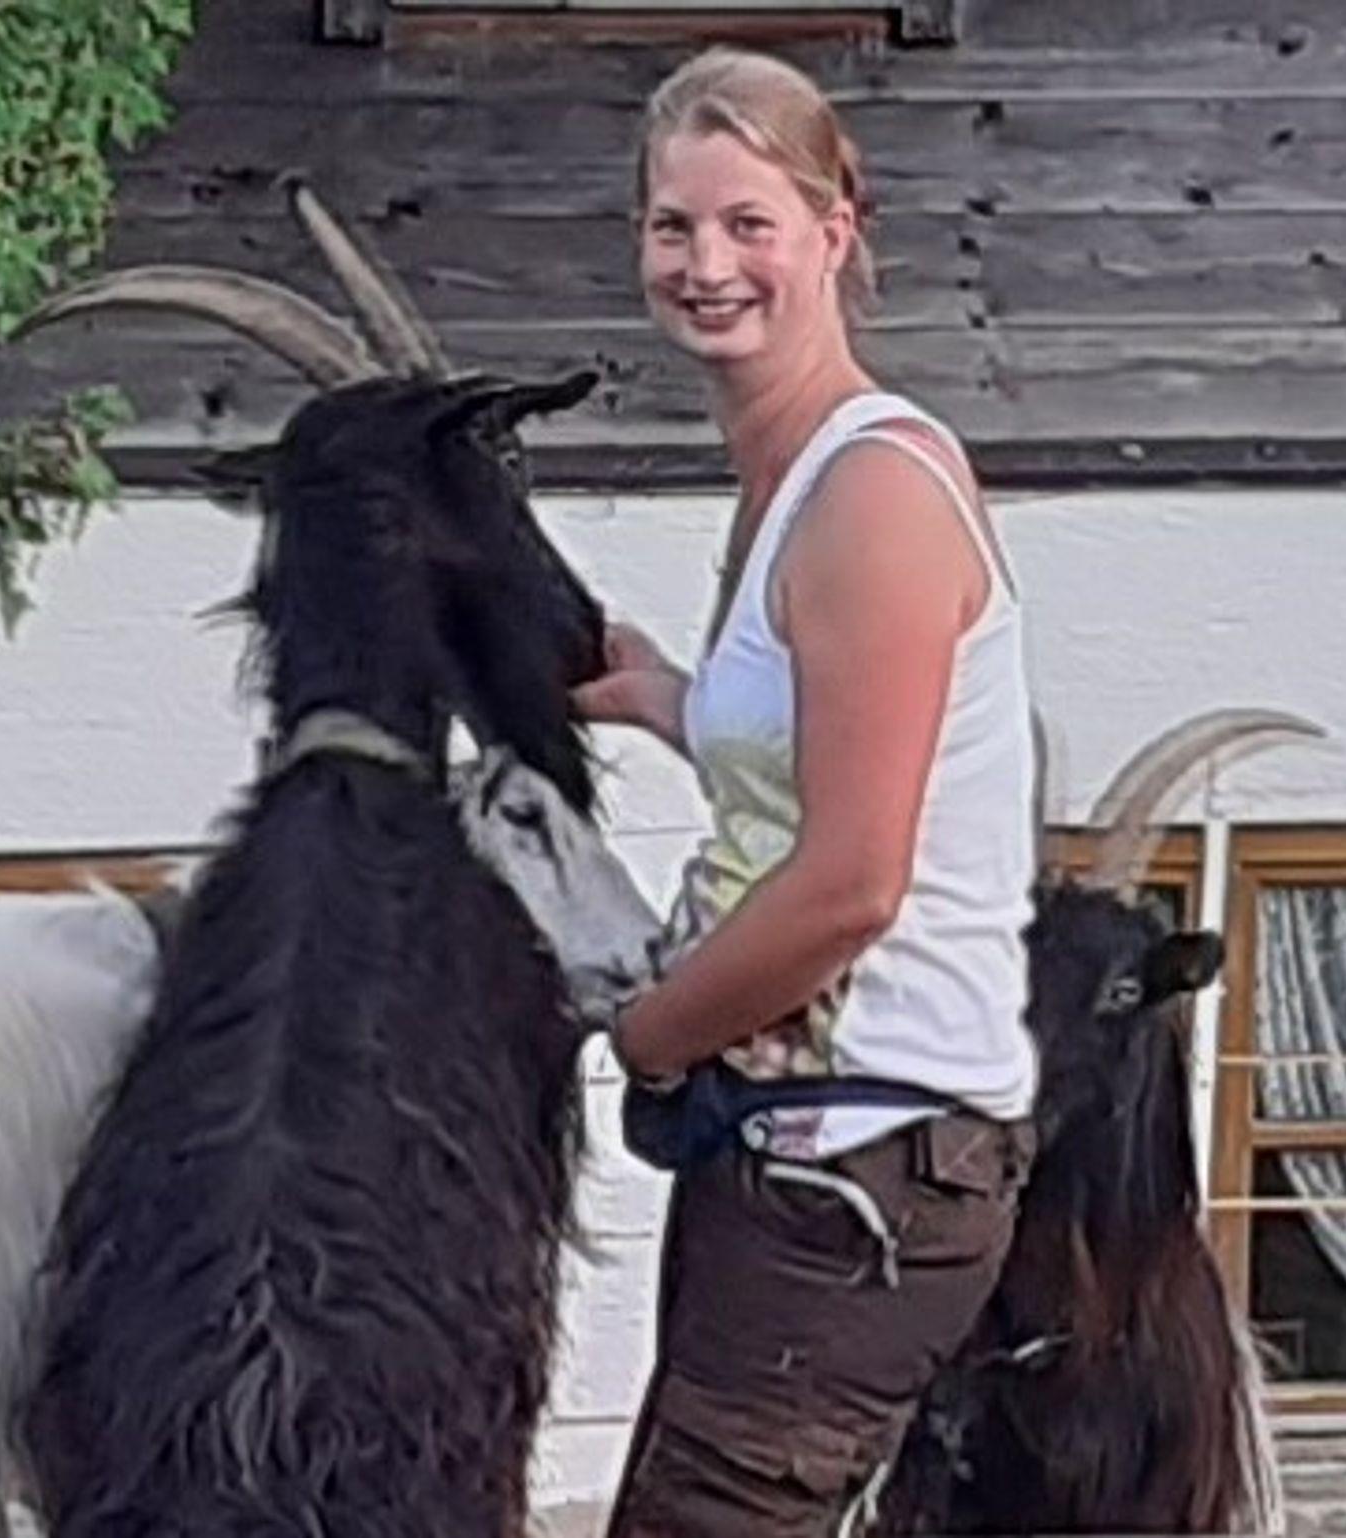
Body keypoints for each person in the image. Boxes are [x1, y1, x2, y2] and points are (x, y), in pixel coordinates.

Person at [571, 47, 1041, 1538]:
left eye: (748, 224)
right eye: (673, 227)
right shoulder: (789, 483)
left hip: (870, 1164)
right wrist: (665, 696)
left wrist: (645, 1035)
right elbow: (805, 752)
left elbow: (852, 881)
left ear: (837, 230)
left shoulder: (873, 496)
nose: (706, 266)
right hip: (800, 1144)